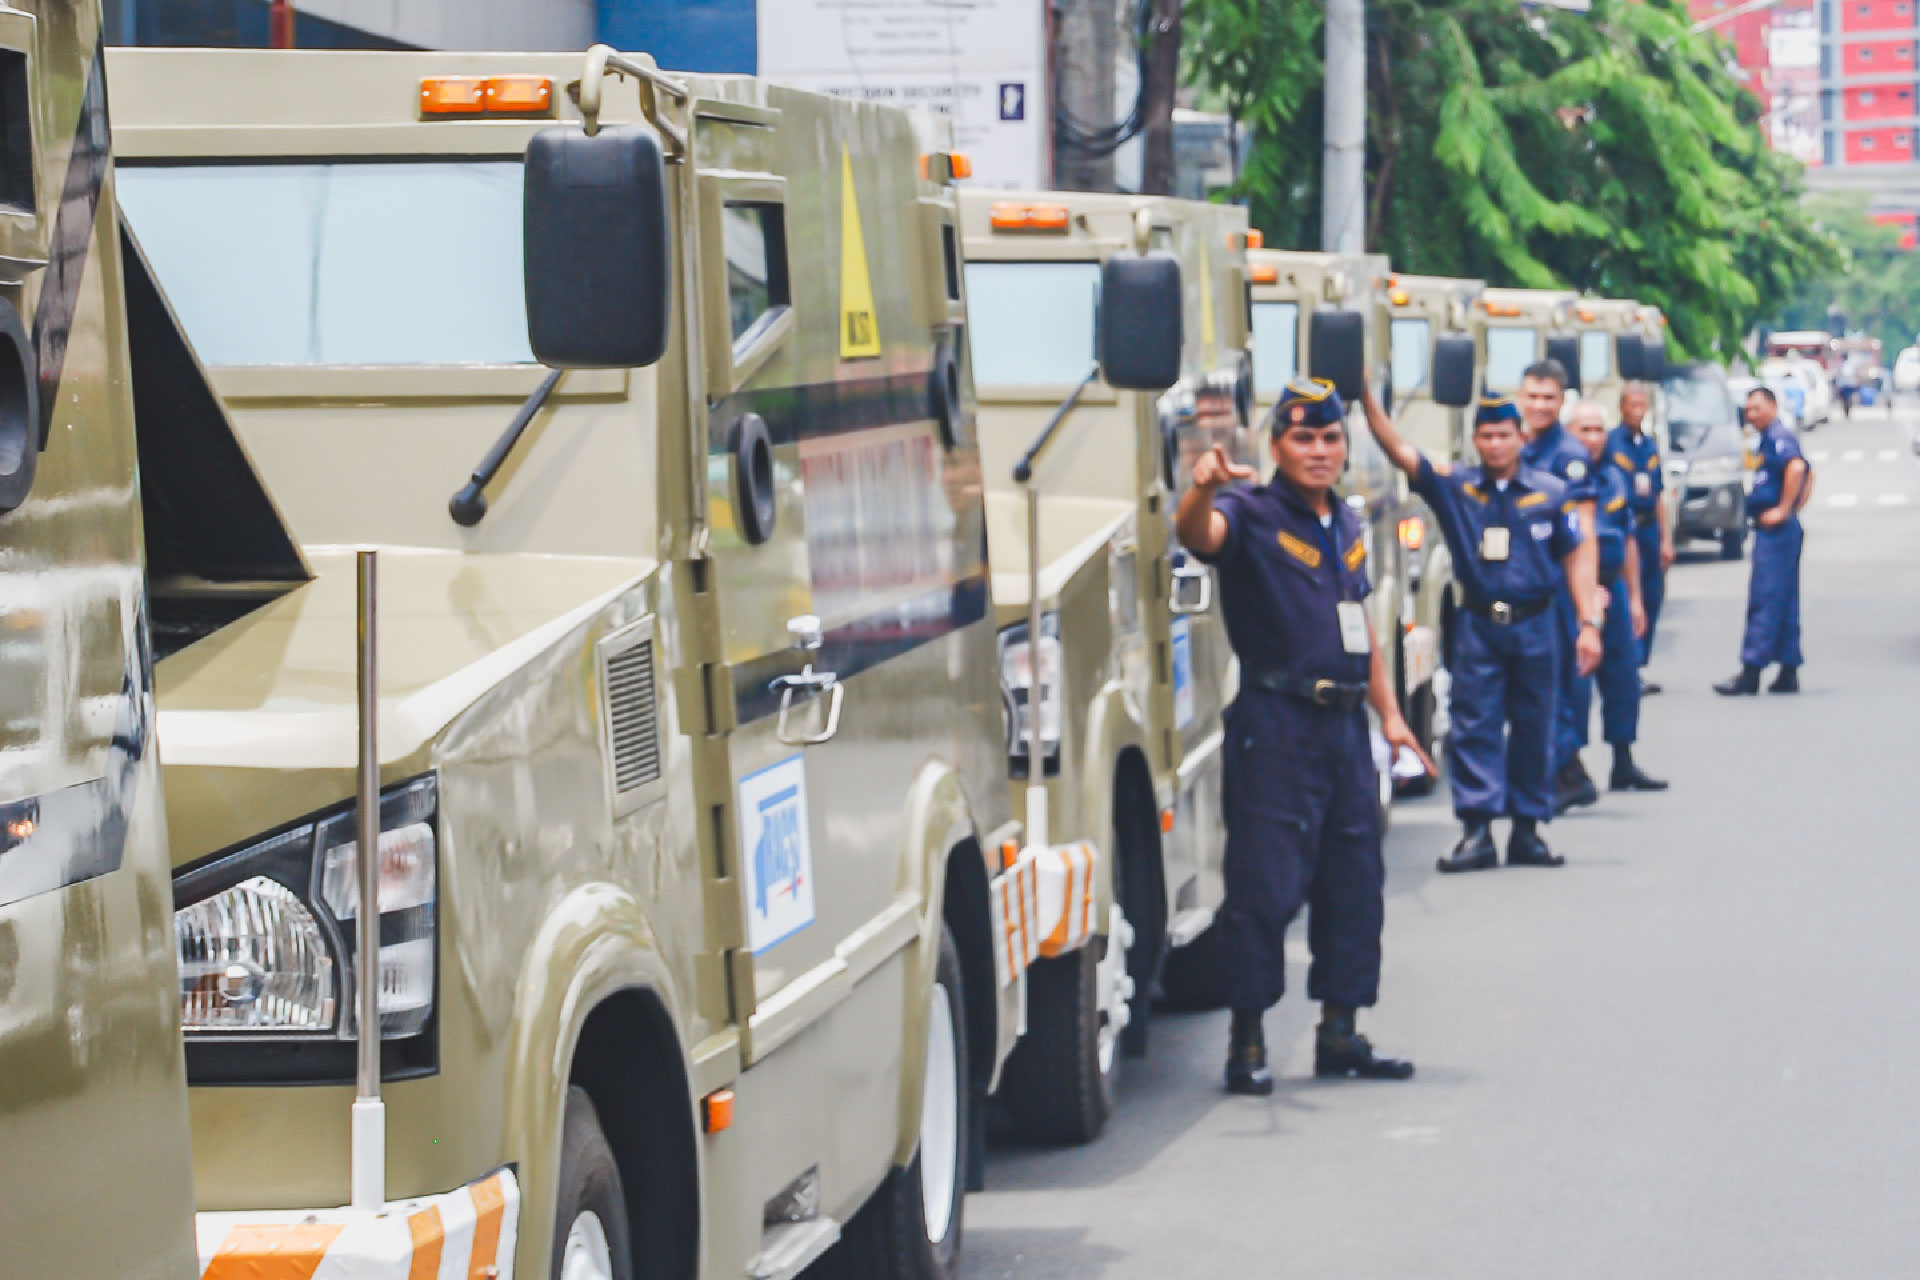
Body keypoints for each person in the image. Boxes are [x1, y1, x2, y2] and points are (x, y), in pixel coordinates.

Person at [1176, 377, 1432, 1095]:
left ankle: (1340, 1030)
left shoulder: (1345, 523)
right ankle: (1248, 1039)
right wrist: (1198, 490)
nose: (1320, 451)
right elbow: (1200, 537)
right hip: (1276, 724)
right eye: (1304, 439)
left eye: (1330, 438)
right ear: (1276, 445)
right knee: (1264, 884)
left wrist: (1391, 716)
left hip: (1347, 726)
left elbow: (1363, 630)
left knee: (1355, 881)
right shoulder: (1249, 511)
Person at [1359, 387, 1601, 873]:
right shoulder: (1457, 488)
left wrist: (1588, 622)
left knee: (1536, 727)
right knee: (1474, 725)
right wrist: (1367, 398)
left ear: (1520, 437)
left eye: (1504, 435)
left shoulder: (1551, 494)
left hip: (1537, 623)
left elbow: (1578, 556)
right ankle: (1477, 831)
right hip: (1479, 627)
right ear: (1474, 439)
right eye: (1486, 435)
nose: (1495, 445)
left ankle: (1529, 831)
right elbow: (1402, 453)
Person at [1511, 360, 1605, 813]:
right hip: (1524, 587)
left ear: (1561, 401)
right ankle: (1562, 770)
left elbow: (1583, 534)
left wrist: (1589, 605)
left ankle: (1564, 769)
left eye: (1549, 398)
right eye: (1532, 396)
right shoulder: (1516, 446)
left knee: (1559, 684)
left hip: (1558, 588)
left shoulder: (1568, 456)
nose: (1539, 405)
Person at [1570, 402, 1667, 792]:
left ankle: (1623, 759)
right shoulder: (1560, 476)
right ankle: (1569, 767)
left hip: (1616, 585)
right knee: (1576, 684)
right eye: (1584, 430)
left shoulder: (1614, 476)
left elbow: (1627, 539)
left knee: (1624, 677)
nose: (1593, 438)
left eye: (1598, 430)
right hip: (1578, 592)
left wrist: (1636, 597)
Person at [1716, 386, 1811, 695]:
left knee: (1765, 598)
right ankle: (1788, 669)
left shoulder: (1778, 437)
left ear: (1773, 406)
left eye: (1757, 408)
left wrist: (1785, 509)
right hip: (1778, 530)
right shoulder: (1768, 439)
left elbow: (1799, 468)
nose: (1751, 414)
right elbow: (1807, 471)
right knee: (1784, 600)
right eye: (1748, 409)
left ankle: (1751, 671)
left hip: (1777, 533)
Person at [1606, 382, 1672, 693]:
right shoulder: (1611, 444)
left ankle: (1640, 662)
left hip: (1648, 529)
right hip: (1624, 529)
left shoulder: (1648, 444)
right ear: (1621, 407)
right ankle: (1629, 667)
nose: (1637, 410)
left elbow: (1658, 495)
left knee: (1652, 596)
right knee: (1631, 598)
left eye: (1641, 405)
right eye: (1631, 404)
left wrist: (1666, 539)